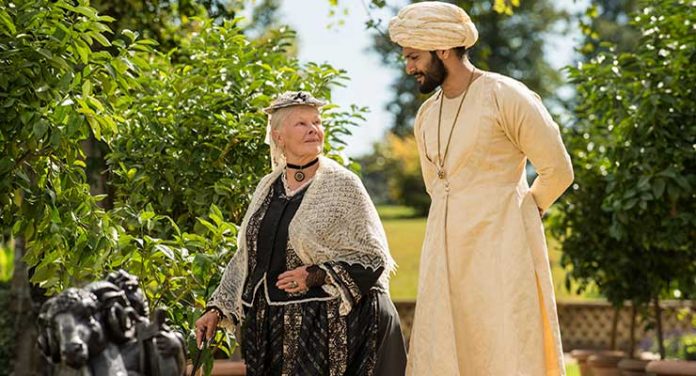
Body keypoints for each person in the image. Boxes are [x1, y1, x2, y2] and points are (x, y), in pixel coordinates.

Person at [388, 2, 574, 375]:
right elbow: (435, 187)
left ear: (443, 49)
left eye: (413, 56)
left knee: (505, 347)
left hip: (502, 252)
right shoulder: (426, 115)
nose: (409, 67)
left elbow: (558, 169)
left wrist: (523, 209)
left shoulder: (504, 95)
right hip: (443, 257)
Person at [194, 91, 407, 375]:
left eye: (317, 122)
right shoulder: (268, 188)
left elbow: (372, 257)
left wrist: (316, 274)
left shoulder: (342, 184)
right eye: (302, 123)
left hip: (334, 330)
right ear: (278, 136)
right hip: (272, 333)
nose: (313, 129)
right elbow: (248, 257)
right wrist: (217, 309)